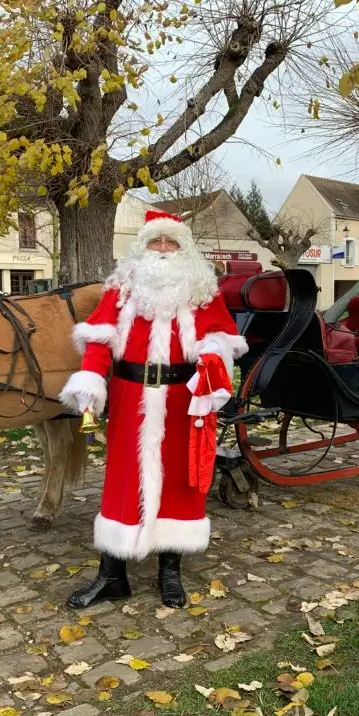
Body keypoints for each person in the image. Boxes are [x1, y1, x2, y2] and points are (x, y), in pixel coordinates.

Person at [60, 210, 247, 609]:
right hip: (130, 398)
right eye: (155, 242)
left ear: (184, 248)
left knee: (179, 480)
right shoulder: (122, 288)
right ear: (142, 247)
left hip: (184, 400)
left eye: (171, 242)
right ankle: (112, 576)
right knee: (123, 479)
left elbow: (222, 339)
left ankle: (170, 573)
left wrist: (214, 358)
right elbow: (98, 340)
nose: (163, 249)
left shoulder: (201, 291)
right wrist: (91, 380)